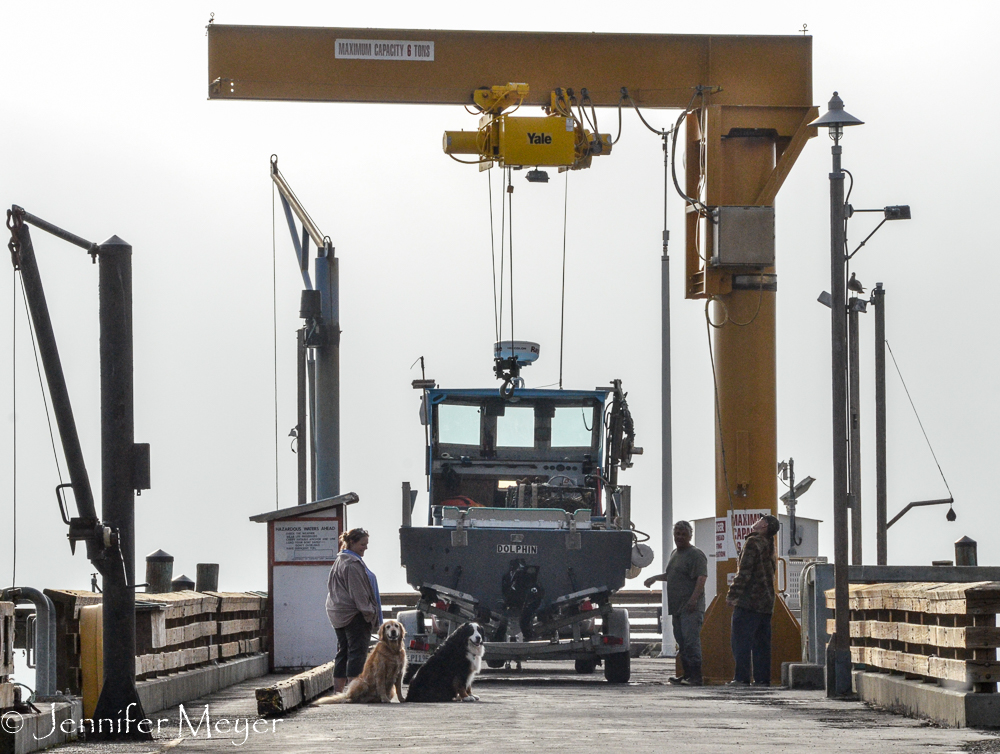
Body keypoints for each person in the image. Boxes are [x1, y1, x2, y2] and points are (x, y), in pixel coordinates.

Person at [644, 520, 708, 686]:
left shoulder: (695, 554)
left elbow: (701, 578)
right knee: (682, 643)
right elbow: (671, 574)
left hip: (691, 608)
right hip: (677, 608)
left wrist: (693, 600)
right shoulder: (675, 553)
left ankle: (696, 677)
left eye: (683, 534)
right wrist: (654, 578)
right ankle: (686, 675)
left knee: (691, 642)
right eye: (677, 534)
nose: (680, 537)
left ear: (690, 536)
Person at [326, 527, 383, 693]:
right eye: (362, 544)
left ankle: (338, 691)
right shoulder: (352, 564)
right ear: (352, 542)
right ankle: (353, 691)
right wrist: (371, 614)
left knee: (343, 652)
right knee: (357, 653)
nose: (365, 547)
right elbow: (359, 595)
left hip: (338, 613)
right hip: (354, 615)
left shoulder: (341, 560)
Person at [725, 514, 780, 686]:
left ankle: (741, 678)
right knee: (761, 645)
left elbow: (744, 572)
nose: (757, 521)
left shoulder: (753, 542)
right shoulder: (770, 546)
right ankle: (762, 679)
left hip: (749, 602)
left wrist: (733, 594)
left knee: (740, 641)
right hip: (766, 602)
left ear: (764, 526)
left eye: (761, 520)